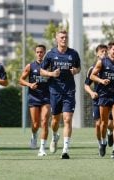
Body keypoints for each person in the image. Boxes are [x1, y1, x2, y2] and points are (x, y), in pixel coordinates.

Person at [40, 29, 81, 159]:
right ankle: (55, 135)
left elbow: (78, 68)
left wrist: (75, 70)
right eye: (62, 37)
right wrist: (51, 74)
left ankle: (65, 150)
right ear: (57, 39)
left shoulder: (73, 54)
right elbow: (41, 71)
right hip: (55, 91)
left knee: (67, 119)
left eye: (66, 37)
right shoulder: (51, 54)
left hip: (69, 90)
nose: (64, 39)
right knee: (55, 120)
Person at [90, 41, 114, 158]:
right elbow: (92, 75)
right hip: (104, 96)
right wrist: (101, 81)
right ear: (109, 50)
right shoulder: (102, 61)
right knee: (104, 123)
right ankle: (103, 142)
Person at [19, 44, 50, 157]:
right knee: (36, 124)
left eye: (41, 52)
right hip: (34, 97)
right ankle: (34, 135)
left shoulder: (49, 66)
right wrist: (30, 84)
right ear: (35, 53)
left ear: (45, 53)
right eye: (37, 52)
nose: (39, 54)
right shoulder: (30, 66)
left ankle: (42, 148)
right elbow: (21, 80)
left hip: (47, 97)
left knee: (45, 121)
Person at [84, 44, 114, 156]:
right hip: (98, 99)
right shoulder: (93, 69)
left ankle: (110, 133)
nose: (105, 53)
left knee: (110, 124)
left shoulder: (112, 66)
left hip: (111, 98)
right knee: (98, 124)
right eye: (102, 51)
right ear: (97, 54)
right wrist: (91, 93)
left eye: (106, 51)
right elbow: (86, 85)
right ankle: (101, 143)